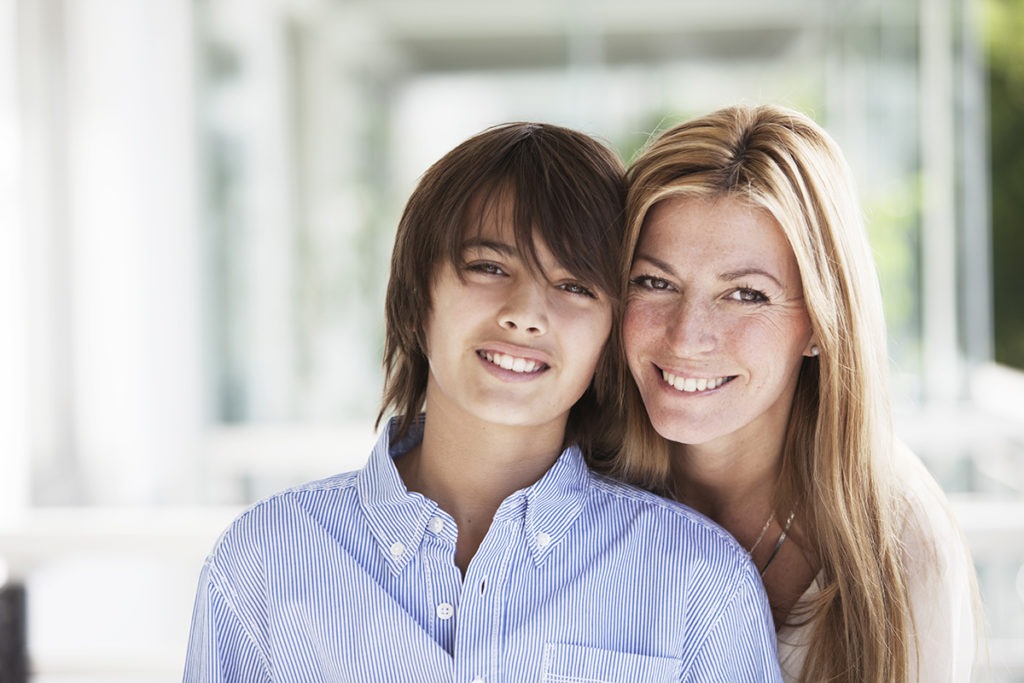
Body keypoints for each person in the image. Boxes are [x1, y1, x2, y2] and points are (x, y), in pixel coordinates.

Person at [183, 122, 783, 682]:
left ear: (610, 335)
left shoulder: (698, 578)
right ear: (419, 297)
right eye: (489, 266)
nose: (525, 314)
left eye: (574, 285)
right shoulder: (263, 561)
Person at [609, 104, 980, 682]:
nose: (687, 337)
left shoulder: (900, 541)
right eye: (655, 282)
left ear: (818, 323)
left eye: (746, 295)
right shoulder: (569, 486)